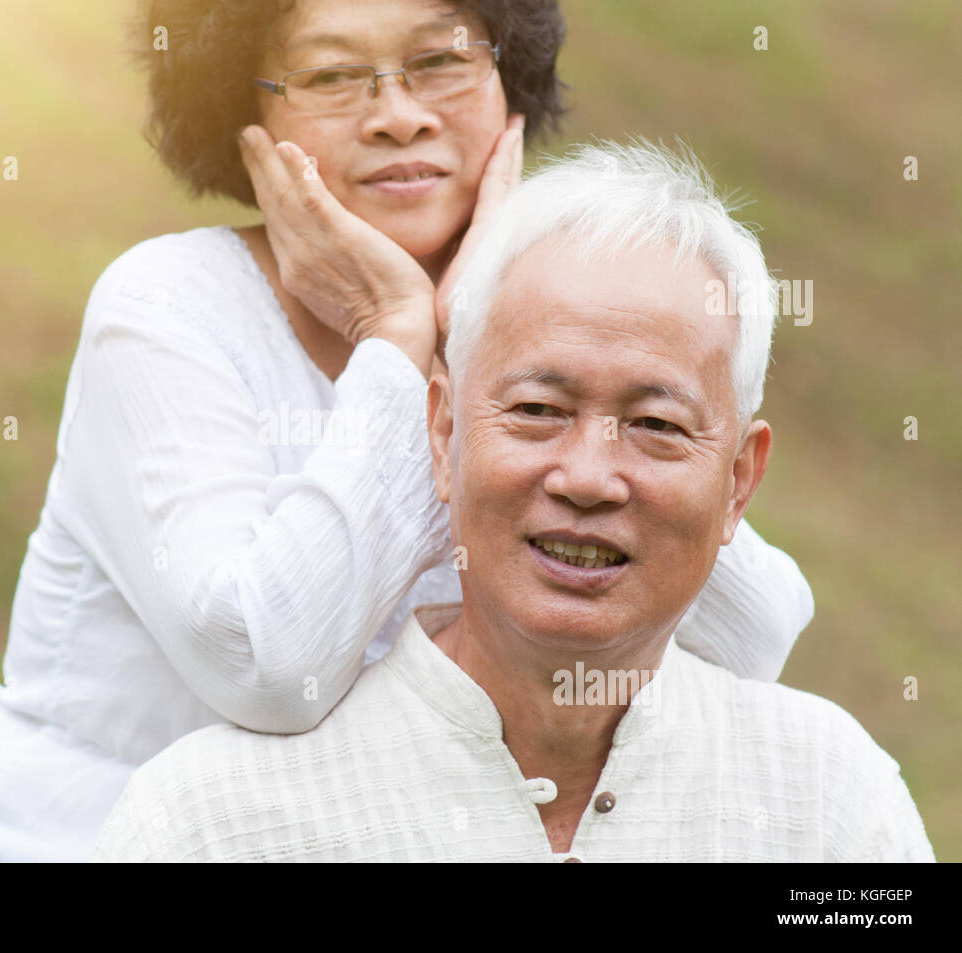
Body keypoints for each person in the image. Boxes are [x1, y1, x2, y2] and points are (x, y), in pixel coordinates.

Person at [0, 0, 812, 862]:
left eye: (440, 61)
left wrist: (474, 320)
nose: (398, 113)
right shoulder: (167, 311)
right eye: (328, 75)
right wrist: (400, 343)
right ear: (246, 120)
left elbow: (748, 640)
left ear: (507, 78)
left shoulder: (531, 347)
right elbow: (269, 668)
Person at [92, 141, 934, 863]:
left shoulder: (828, 808)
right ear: (441, 432)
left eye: (655, 423)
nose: (587, 476)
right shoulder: (215, 825)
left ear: (739, 482)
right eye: (537, 410)